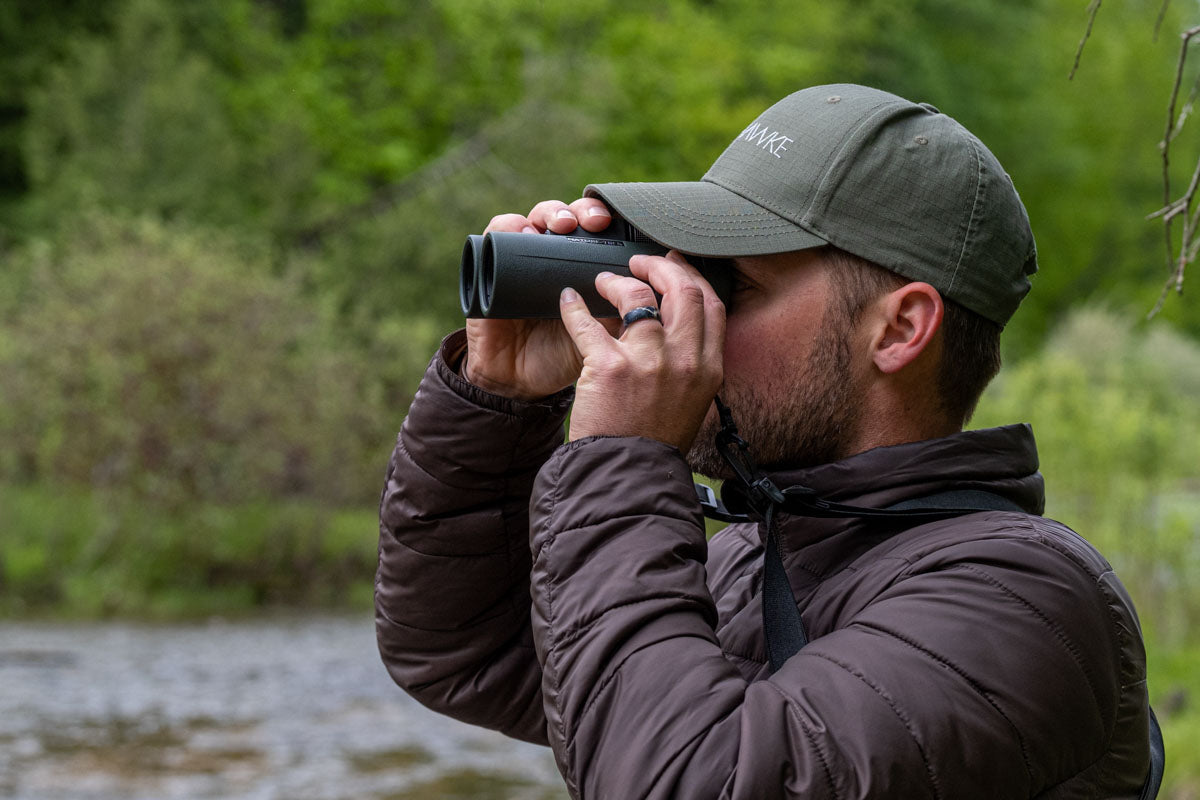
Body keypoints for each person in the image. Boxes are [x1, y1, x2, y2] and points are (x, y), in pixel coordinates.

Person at [375, 84, 1153, 798]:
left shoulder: (1020, 604)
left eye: (727, 284)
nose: (680, 309)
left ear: (901, 329)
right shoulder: (761, 550)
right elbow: (463, 654)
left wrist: (622, 458)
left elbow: (689, 782)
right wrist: (501, 404)